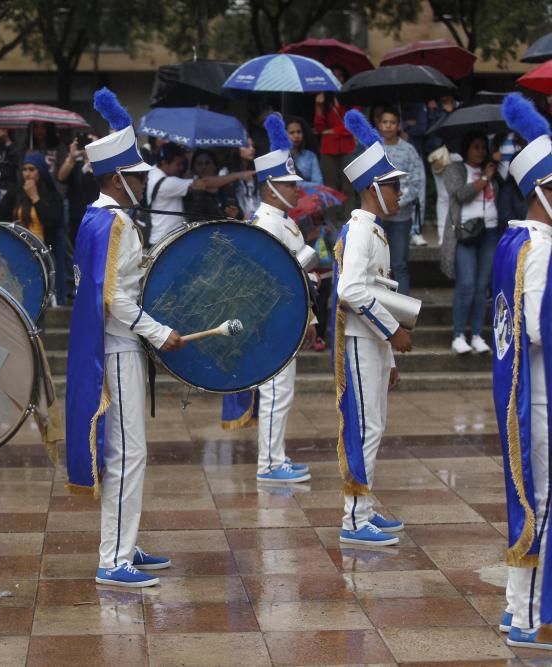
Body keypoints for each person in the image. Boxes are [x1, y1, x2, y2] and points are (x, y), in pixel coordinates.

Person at [65, 88, 184, 588]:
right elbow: (112, 296)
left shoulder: (96, 218)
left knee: (125, 452)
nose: (143, 182)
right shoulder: (113, 223)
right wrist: (159, 333)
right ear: (117, 178)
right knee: (127, 453)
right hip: (117, 349)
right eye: (137, 176)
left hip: (112, 346)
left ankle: (123, 541)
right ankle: (114, 557)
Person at [333, 109, 414, 547]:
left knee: (374, 427)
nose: (399, 194)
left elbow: (372, 289)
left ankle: (363, 507)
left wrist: (386, 356)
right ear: (372, 191)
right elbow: (350, 290)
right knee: (363, 427)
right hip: (361, 341)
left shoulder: (373, 229)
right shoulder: (362, 230)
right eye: (392, 187)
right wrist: (392, 334)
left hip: (371, 344)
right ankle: (352, 519)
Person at [494, 93, 552, 651]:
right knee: (543, 502)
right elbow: (539, 327)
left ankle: (518, 609)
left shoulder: (515, 239)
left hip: (520, 393)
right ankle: (532, 618)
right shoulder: (539, 248)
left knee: (530, 501)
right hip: (538, 398)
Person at [245, 114, 316, 483]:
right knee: (275, 391)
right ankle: (268, 464)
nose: (297, 190)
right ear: (271, 186)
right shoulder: (267, 223)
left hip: (289, 317)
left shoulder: (284, 221)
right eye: (290, 184)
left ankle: (277, 456)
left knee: (283, 392)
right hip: (271, 321)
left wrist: (310, 319)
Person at [441, 131, 500, 355]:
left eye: (483, 147)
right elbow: (461, 194)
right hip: (465, 234)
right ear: (466, 148)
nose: (481, 151)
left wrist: (494, 171)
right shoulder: (455, 169)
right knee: (466, 285)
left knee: (482, 287)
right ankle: (458, 334)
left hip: (490, 232)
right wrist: (484, 179)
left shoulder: (494, 170)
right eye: (476, 147)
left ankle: (476, 334)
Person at [147, 143, 251, 244]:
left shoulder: (154, 173)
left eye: (208, 163)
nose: (181, 168)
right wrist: (237, 175)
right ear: (164, 163)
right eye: (178, 164)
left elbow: (239, 215)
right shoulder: (168, 184)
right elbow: (203, 183)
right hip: (167, 241)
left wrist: (234, 215)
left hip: (175, 239)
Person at [377, 107, 426, 295]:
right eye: (385, 122)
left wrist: (396, 204)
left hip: (400, 217)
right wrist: (381, 205)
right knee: (379, 265)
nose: (388, 126)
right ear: (379, 125)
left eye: (392, 122)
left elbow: (416, 182)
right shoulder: (374, 149)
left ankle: (403, 311)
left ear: (398, 126)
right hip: (378, 217)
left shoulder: (408, 150)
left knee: (399, 264)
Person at [314, 82, 358, 217]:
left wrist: (333, 131)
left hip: (347, 146)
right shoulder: (324, 101)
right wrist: (319, 106)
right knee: (331, 186)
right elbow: (320, 129)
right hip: (328, 148)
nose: (337, 80)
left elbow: (353, 126)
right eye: (334, 76)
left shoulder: (352, 101)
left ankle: (350, 219)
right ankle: (331, 222)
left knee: (348, 186)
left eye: (340, 76)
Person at [2, 151, 64, 243]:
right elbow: (1, 216)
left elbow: (52, 225)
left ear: (40, 171)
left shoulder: (51, 195)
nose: (27, 174)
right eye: (24, 169)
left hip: (42, 248)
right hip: (20, 244)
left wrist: (35, 198)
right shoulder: (17, 192)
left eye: (31, 169)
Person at [427, 95, 461, 245]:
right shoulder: (433, 109)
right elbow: (429, 131)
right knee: (443, 196)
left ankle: (456, 232)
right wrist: (440, 112)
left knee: (459, 195)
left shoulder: (461, 107)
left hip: (459, 155)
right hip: (440, 156)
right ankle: (442, 235)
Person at [284, 116, 323, 185]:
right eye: (292, 133)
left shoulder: (310, 156)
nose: (296, 136)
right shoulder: (279, 157)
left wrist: (298, 184)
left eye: (299, 132)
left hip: (308, 194)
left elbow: (319, 183)